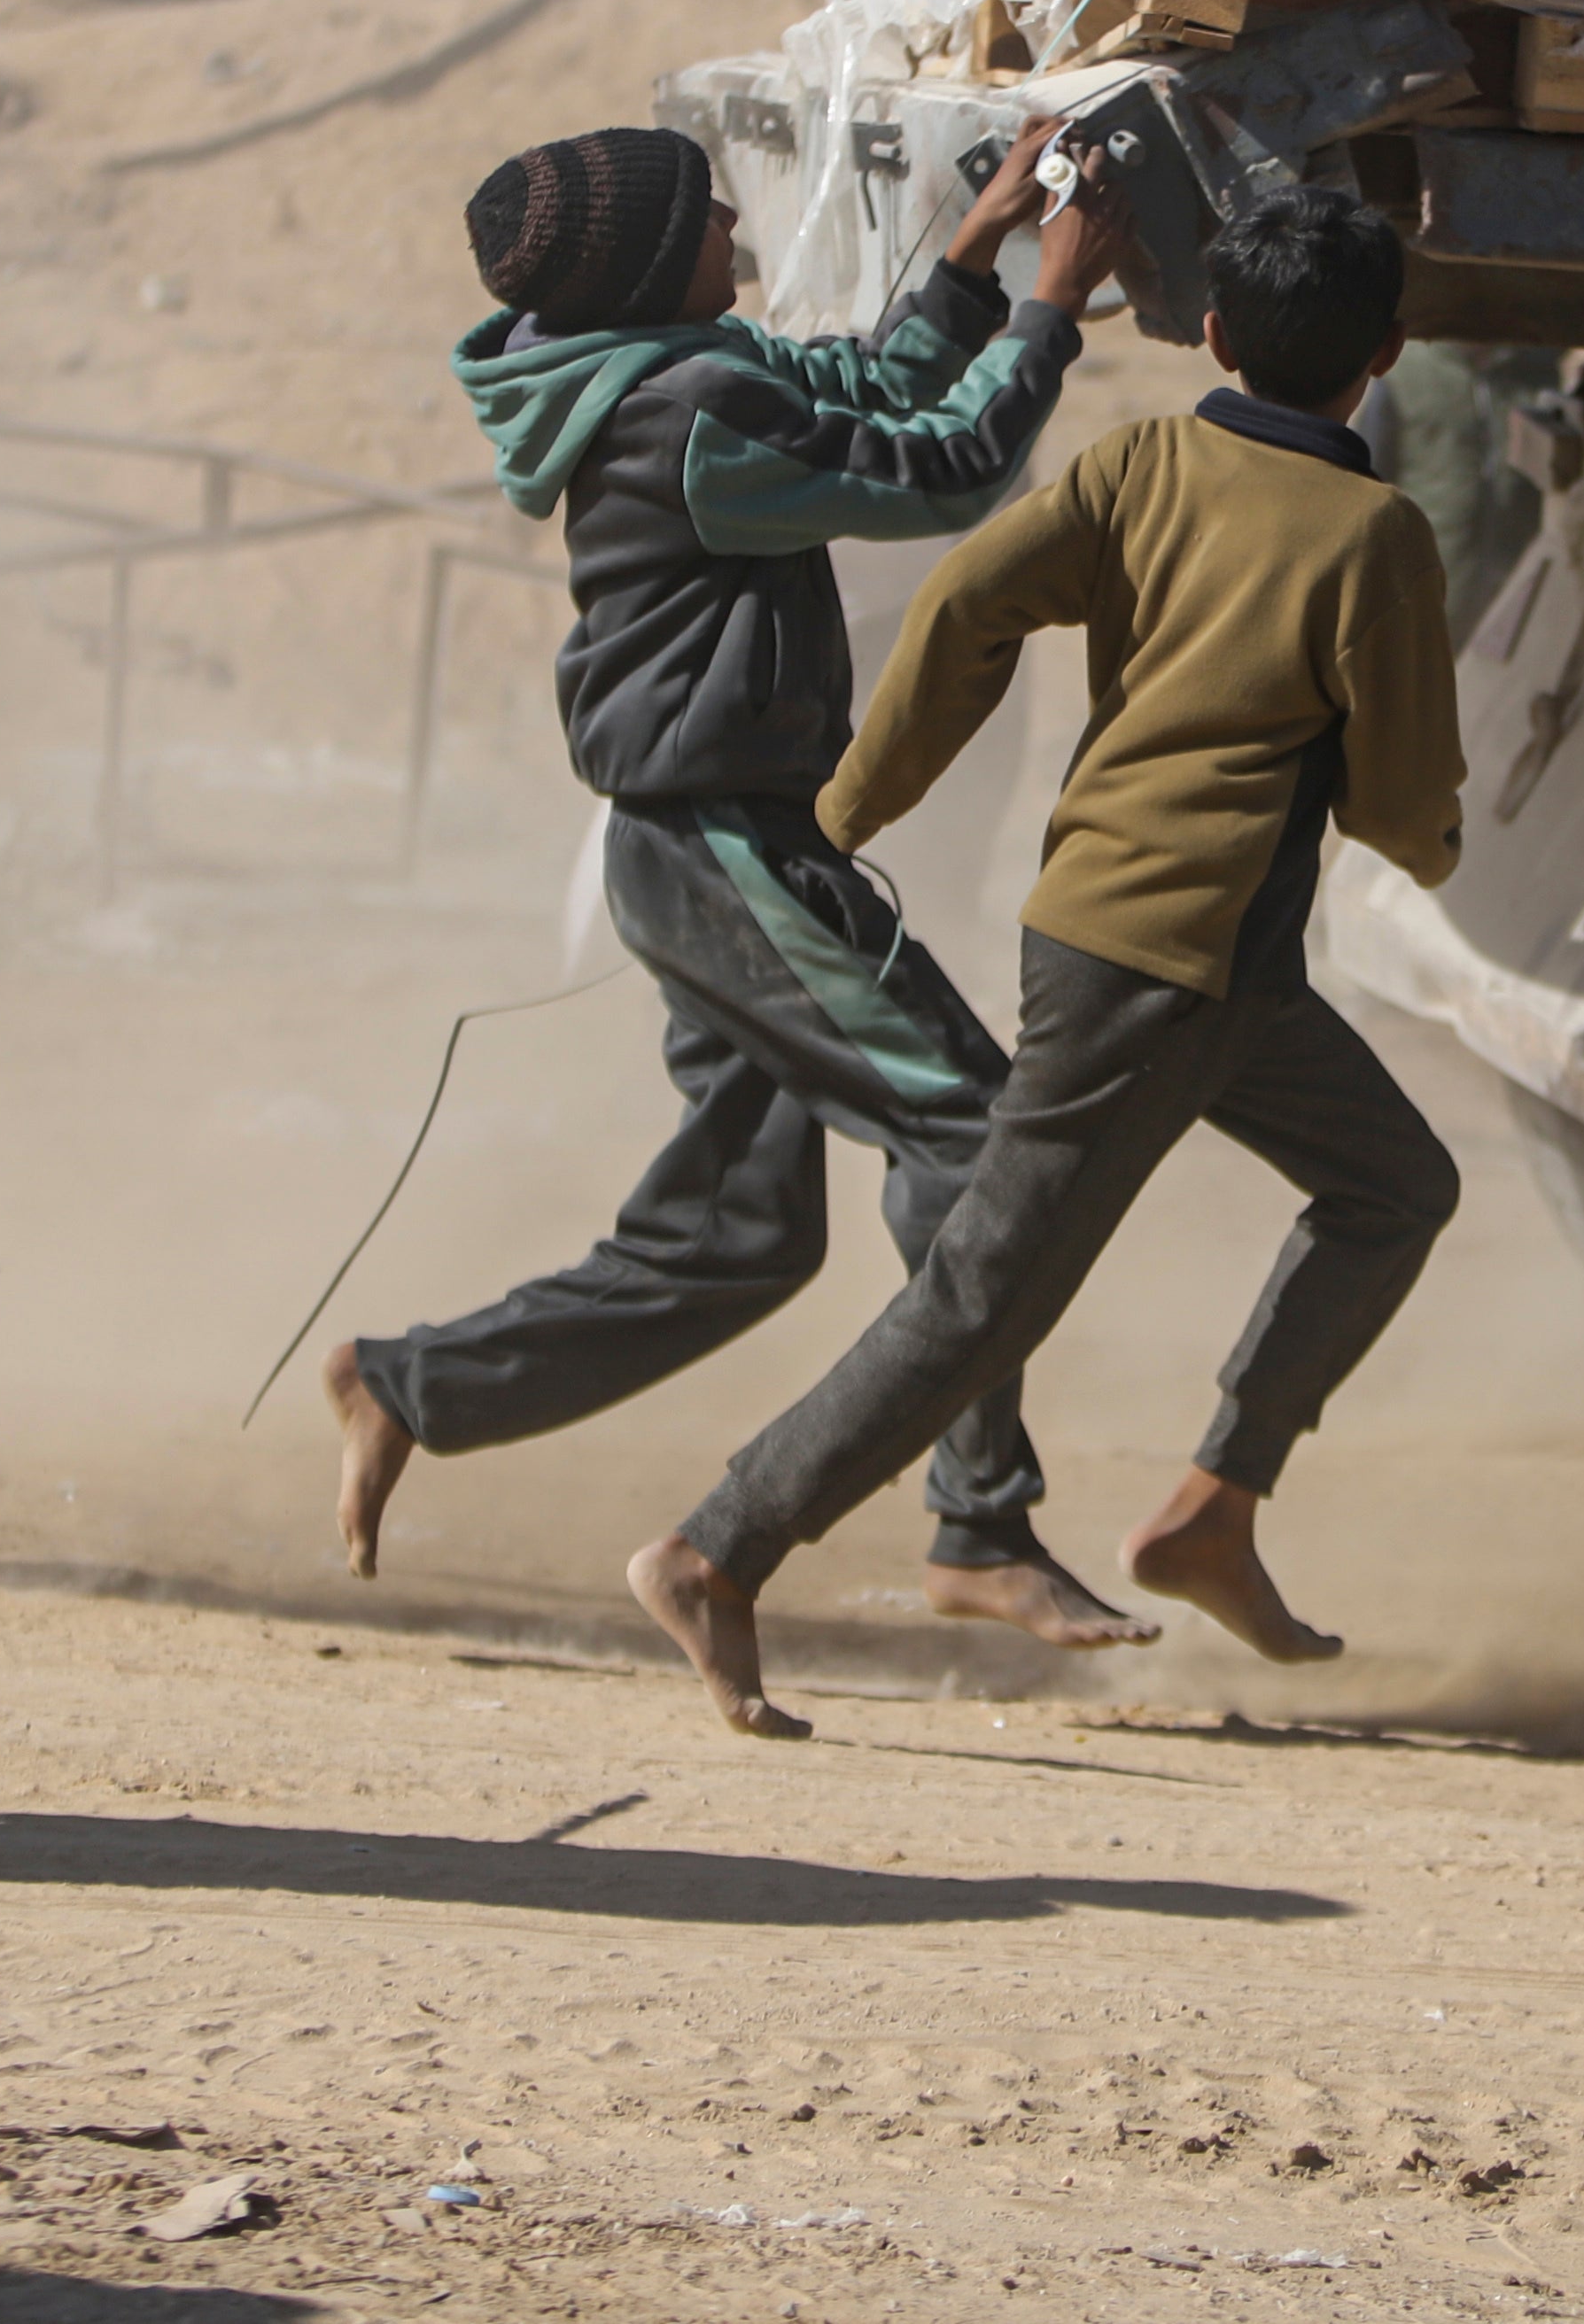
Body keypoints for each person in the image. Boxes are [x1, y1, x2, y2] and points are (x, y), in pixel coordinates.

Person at [624, 188, 1470, 1740]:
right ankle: (716, 1547)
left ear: (1209, 333)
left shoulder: (1142, 461)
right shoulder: (1375, 538)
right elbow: (1405, 802)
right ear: (1389, 358)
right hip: (1175, 968)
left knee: (1396, 1184)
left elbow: (963, 600)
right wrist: (1426, 842)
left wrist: (861, 797)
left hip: (1163, 948)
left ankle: (1217, 1507)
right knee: (983, 1295)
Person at [325, 119, 1153, 1651]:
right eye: (705, 211)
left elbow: (868, 389)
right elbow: (942, 469)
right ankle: (974, 1529)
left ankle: (410, 1387)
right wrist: (1055, 301)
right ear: (651, 262)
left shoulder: (666, 379)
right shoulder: (686, 411)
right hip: (729, 851)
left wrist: (974, 259)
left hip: (701, 848)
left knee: (740, 1240)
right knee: (980, 1141)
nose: (736, 226)